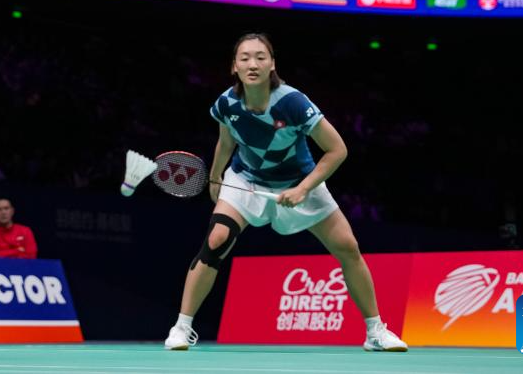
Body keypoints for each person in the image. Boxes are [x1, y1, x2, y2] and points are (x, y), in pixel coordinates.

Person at [164, 33, 407, 352]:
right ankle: (182, 328)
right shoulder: (226, 103)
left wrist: (303, 188)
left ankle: (375, 331)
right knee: (216, 240)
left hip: (299, 180)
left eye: (260, 57)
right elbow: (227, 140)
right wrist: (214, 177)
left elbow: (337, 150)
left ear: (272, 64)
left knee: (348, 246)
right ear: (234, 66)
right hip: (246, 181)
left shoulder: (293, 102)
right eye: (245, 58)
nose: (253, 64)